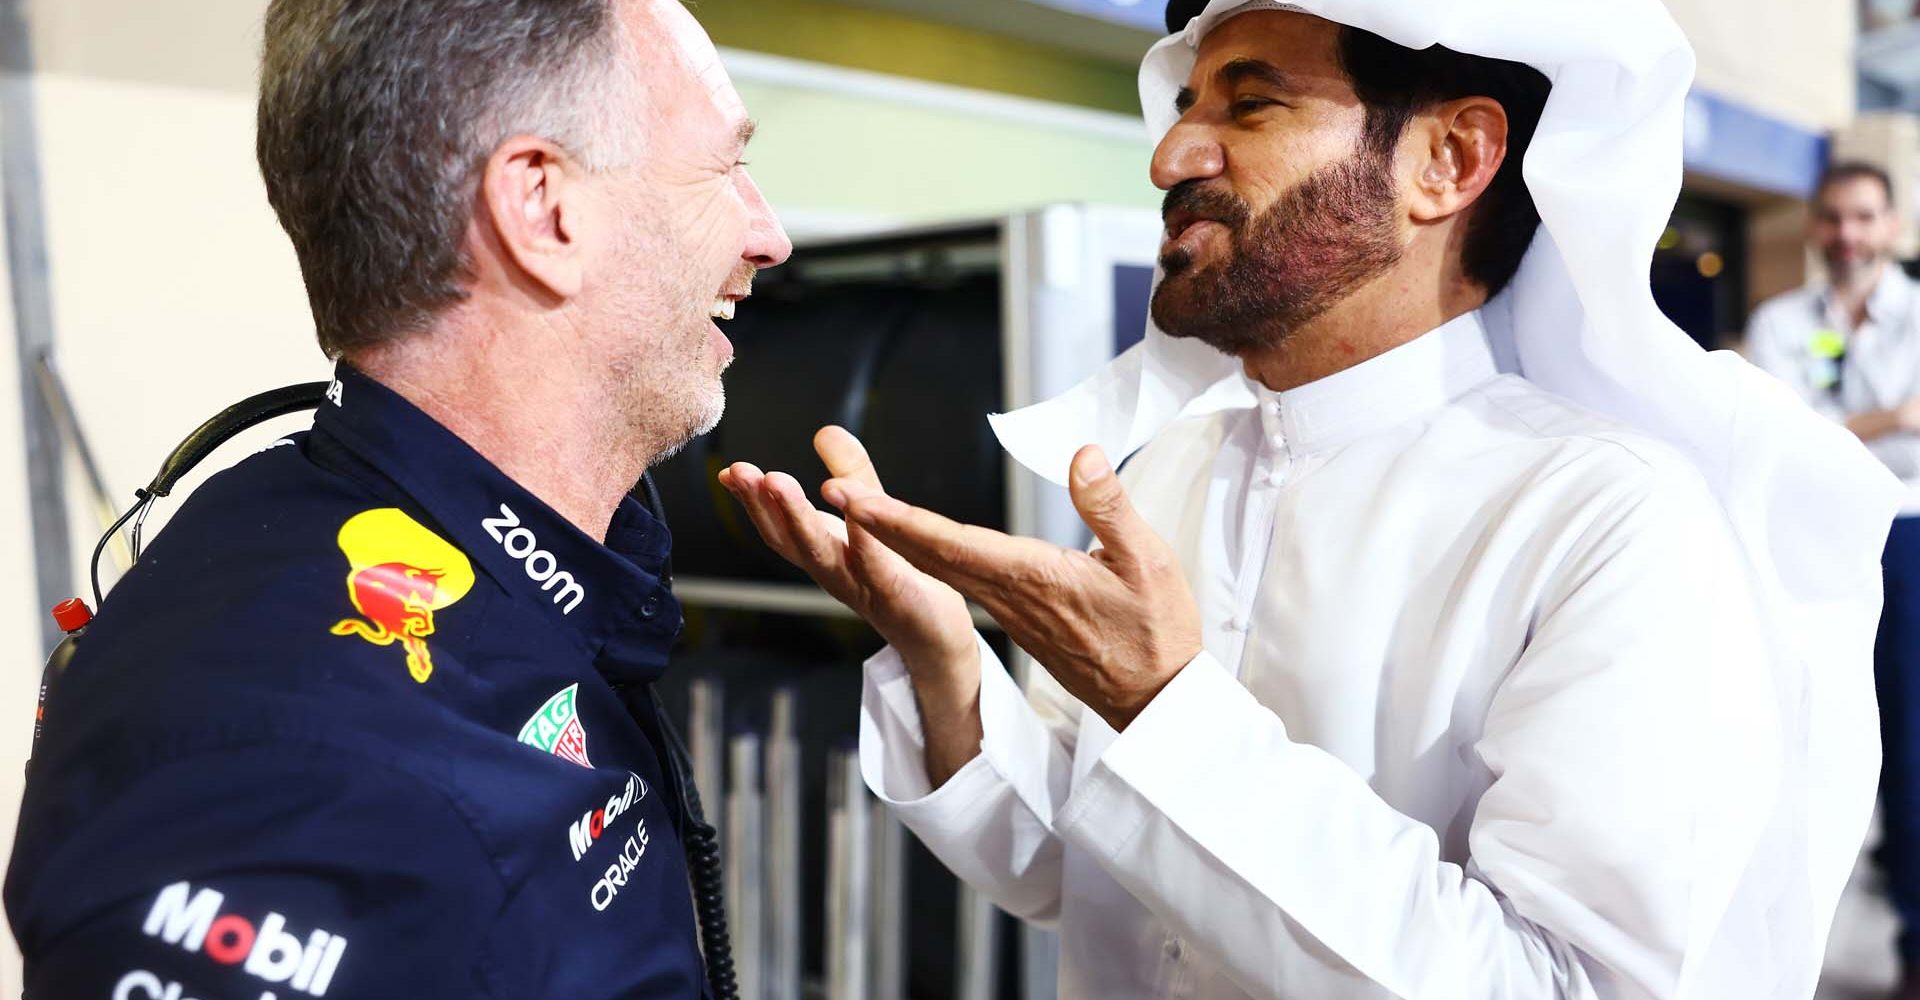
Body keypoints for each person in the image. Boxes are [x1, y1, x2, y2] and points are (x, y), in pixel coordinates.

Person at [720, 1, 1899, 997]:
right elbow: (1071, 864)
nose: (1170, 157)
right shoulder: (1173, 467)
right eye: (1187, 106)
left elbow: (1558, 980)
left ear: (1449, 160)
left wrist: (1163, 706)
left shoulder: (1612, 521)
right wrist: (948, 669)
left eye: (1248, 105)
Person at [4, 0, 790, 996]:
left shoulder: (359, 532)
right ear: (545, 207)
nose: (769, 236)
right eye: (726, 167)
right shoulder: (293, 772)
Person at [1746, 161, 1920, 998]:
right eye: (1834, 219)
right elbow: (1781, 438)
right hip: (1810, 542)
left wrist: (1836, 433)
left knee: (1912, 737)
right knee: (1808, 728)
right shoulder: (1783, 320)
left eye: (1864, 218)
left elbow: (1814, 432)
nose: (1847, 235)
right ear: (1816, 227)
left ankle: (1915, 935)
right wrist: (1893, 418)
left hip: (1909, 536)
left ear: (1890, 226)